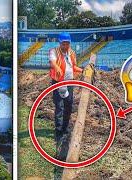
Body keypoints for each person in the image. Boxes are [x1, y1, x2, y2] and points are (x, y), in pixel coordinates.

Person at [48, 32, 83, 179]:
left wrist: (82, 70)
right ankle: (58, 131)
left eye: (67, 43)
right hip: (57, 82)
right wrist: (56, 67)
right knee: (59, 106)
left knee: (69, 106)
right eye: (63, 43)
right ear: (59, 43)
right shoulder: (53, 51)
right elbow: (53, 62)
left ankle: (65, 127)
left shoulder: (72, 52)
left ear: (70, 43)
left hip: (69, 83)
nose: (65, 45)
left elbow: (73, 66)